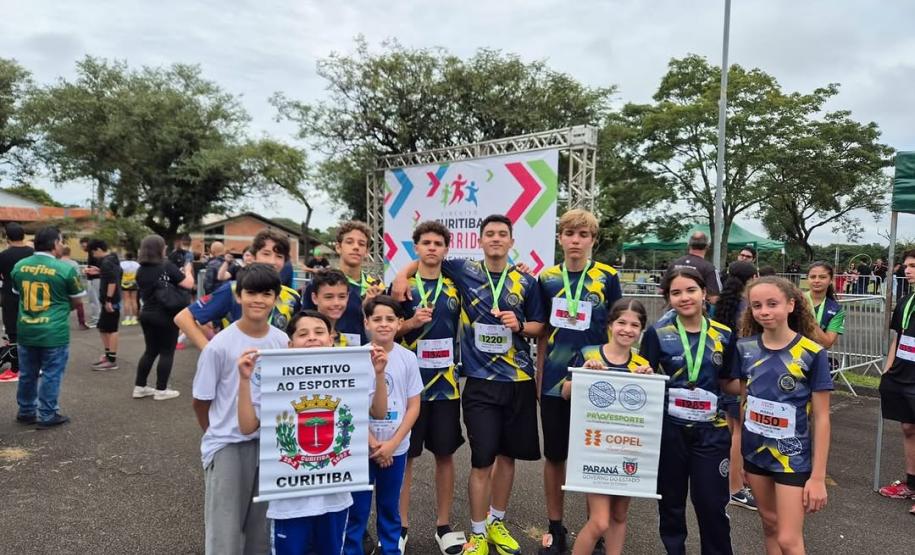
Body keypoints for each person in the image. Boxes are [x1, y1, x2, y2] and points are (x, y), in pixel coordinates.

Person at [391, 214, 546, 555]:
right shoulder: (463, 271)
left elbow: (539, 326)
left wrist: (519, 326)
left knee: (507, 457)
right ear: (479, 240)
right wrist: (402, 273)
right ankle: (472, 532)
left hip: (516, 378)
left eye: (501, 234)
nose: (495, 239)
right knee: (480, 458)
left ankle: (496, 523)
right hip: (476, 380)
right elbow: (427, 260)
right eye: (489, 233)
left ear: (511, 240)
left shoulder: (526, 282)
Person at [236, 310, 389, 555]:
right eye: (303, 334)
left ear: (331, 338)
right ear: (290, 343)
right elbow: (246, 427)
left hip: (335, 497)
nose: (312, 338)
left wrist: (379, 374)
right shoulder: (272, 375)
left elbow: (379, 413)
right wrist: (244, 380)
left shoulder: (350, 370)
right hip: (288, 501)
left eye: (319, 332)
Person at [535, 208, 621, 554]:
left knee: (592, 456)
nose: (576, 240)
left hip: (596, 380)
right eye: (570, 234)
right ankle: (555, 528)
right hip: (555, 381)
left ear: (592, 241)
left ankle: (595, 530)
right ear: (560, 238)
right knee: (555, 456)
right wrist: (539, 375)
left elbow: (619, 327)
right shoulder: (547, 278)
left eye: (583, 235)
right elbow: (542, 332)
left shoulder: (607, 276)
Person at [640, 268, 738, 555]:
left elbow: (729, 381)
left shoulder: (724, 335)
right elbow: (643, 374)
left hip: (712, 433)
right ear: (669, 298)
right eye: (676, 292)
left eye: (691, 290)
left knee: (711, 503)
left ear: (704, 293)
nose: (684, 297)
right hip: (670, 432)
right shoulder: (657, 334)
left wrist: (757, 384)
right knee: (670, 504)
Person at [191, 264, 288, 554]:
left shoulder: (283, 342)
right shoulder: (219, 346)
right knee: (226, 532)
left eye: (266, 294)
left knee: (262, 530)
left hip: (269, 444)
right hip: (229, 445)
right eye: (251, 292)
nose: (258, 300)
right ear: (238, 295)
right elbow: (201, 402)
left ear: (275, 298)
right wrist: (216, 433)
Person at [735, 276, 832, 553]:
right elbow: (744, 401)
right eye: (757, 305)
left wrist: (817, 477)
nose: (764, 311)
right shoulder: (745, 349)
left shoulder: (813, 353)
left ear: (791, 305)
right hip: (755, 455)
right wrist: (741, 457)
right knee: (769, 525)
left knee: (789, 538)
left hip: (792, 459)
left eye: (772, 304)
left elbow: (823, 418)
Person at [396, 221, 466, 554]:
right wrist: (410, 323)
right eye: (426, 242)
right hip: (409, 388)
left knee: (445, 455)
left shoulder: (455, 286)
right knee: (405, 458)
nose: (432, 248)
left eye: (439, 243)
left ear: (446, 249)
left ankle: (443, 525)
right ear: (417, 248)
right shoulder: (402, 287)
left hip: (446, 388)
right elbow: (385, 331)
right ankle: (400, 526)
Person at [564, 299, 653, 555]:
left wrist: (648, 383)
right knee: (600, 520)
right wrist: (583, 374)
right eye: (622, 323)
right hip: (596, 452)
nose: (627, 329)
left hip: (627, 451)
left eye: (635, 325)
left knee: (619, 516)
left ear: (641, 330)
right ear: (610, 325)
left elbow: (650, 411)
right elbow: (565, 392)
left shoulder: (642, 365)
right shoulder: (590, 354)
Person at [344, 295, 422, 555]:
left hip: (395, 449)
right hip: (361, 449)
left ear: (400, 323)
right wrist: (371, 442)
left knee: (390, 509)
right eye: (377, 319)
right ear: (366, 323)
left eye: (390, 319)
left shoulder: (408, 358)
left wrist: (392, 444)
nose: (384, 324)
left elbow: (413, 406)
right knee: (357, 510)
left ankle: (391, 549)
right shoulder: (354, 358)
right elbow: (348, 407)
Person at [174, 229, 300, 350]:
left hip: (273, 369)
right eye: (266, 254)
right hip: (235, 368)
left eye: (279, 256)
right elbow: (183, 318)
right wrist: (209, 350)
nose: (272, 261)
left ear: (285, 261)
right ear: (254, 256)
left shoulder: (292, 297)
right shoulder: (234, 289)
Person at [12, 227, 85, 427]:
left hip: (26, 329)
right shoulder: (65, 269)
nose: (63, 246)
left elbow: (18, 293)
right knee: (52, 373)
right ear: (54, 244)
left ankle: (26, 410)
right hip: (54, 331)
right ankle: (47, 413)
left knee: (27, 373)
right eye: (61, 242)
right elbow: (77, 300)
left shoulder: (20, 266)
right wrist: (61, 307)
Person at [712, 261, 758, 511]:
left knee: (733, 432)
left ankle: (731, 482)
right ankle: (735, 488)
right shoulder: (746, 308)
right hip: (739, 375)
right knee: (739, 433)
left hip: (726, 373)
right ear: (752, 278)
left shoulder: (723, 305)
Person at [303, 221, 384, 346]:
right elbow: (304, 324)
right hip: (326, 354)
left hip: (362, 355)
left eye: (361, 244)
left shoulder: (376, 287)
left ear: (367, 251)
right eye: (349, 242)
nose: (356, 247)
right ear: (338, 247)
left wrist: (367, 308)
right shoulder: (318, 283)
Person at [134, 234, 195, 400]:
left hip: (146, 313)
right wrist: (188, 271)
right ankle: (161, 390)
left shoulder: (141, 269)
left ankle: (140, 387)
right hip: (166, 314)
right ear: (160, 249)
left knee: (150, 351)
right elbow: (188, 284)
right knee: (167, 352)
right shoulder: (166, 265)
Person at [877, 249, 915, 515]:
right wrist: (887, 370)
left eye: (913, 265)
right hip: (900, 374)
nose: (908, 270)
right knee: (908, 428)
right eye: (906, 266)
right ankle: (911, 484)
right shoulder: (905, 300)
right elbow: (898, 337)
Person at [0, 223, 34, 382]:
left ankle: (15, 369)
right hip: (33, 295)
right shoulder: (34, 254)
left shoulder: (3, 256)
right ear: (23, 235)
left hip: (10, 297)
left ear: (7, 237)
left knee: (13, 333)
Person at [87, 239, 122, 371]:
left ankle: (112, 360)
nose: (92, 255)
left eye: (92, 252)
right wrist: (99, 271)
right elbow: (113, 275)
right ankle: (108, 355)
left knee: (111, 329)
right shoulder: (112, 259)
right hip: (112, 300)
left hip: (111, 302)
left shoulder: (107, 262)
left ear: (98, 249)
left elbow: (112, 282)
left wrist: (108, 300)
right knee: (103, 327)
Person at [666, 232, 722, 304]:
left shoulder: (674, 264)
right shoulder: (709, 268)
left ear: (689, 245)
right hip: (698, 311)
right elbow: (714, 298)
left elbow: (662, 289)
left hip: (674, 310)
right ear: (707, 246)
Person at [805, 262, 845, 349]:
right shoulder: (794, 301)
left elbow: (827, 343)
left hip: (816, 356)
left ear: (831, 280)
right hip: (788, 355)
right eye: (812, 277)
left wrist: (808, 318)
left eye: (822, 277)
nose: (816, 280)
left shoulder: (836, 310)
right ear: (807, 279)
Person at [309, 269, 352, 346]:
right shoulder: (305, 337)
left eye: (342, 297)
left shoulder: (346, 340)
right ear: (314, 298)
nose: (336, 303)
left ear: (347, 297)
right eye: (329, 297)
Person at [60, 246, 89, 331]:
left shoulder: (57, 262)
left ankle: (61, 323)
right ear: (69, 253)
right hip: (73, 285)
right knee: (79, 304)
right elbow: (77, 276)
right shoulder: (74, 263)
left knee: (61, 304)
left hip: (61, 285)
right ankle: (82, 323)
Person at [80, 236, 102, 327]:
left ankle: (96, 319)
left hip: (95, 278)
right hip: (93, 278)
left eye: (83, 245)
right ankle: (96, 318)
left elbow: (97, 268)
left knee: (94, 299)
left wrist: (88, 270)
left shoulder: (93, 253)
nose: (82, 247)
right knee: (94, 299)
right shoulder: (91, 253)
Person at [120, 251, 140, 326]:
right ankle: (134, 318)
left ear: (125, 257)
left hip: (125, 283)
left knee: (126, 300)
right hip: (134, 283)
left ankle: (127, 318)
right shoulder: (137, 264)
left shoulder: (122, 264)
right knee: (134, 300)